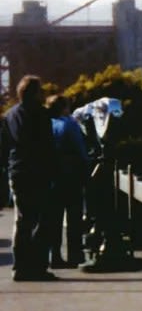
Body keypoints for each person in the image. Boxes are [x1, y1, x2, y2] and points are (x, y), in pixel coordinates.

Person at [4, 75, 59, 281]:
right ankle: (37, 267)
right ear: (35, 92)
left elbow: (5, 147)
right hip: (39, 173)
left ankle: (20, 267)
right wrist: (55, 171)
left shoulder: (9, 115)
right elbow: (47, 145)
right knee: (43, 221)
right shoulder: (41, 114)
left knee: (22, 221)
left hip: (17, 171)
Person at [46, 94, 90, 268]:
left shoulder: (46, 125)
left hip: (52, 176)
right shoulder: (70, 124)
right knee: (74, 218)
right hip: (71, 176)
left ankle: (54, 256)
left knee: (54, 219)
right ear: (64, 107)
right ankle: (75, 255)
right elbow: (80, 149)